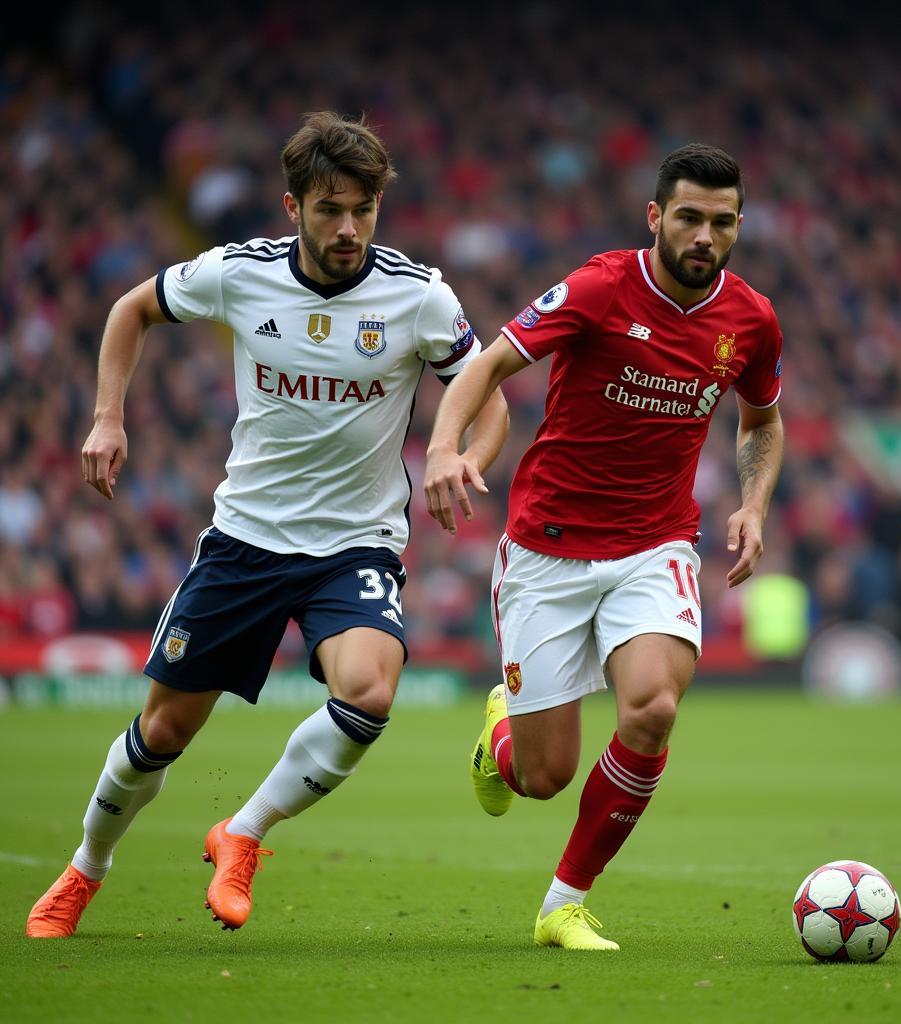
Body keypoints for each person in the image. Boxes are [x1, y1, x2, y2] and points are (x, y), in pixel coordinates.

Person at [26, 111, 509, 938]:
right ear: (293, 208)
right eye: (330, 209)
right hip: (246, 539)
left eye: (364, 209)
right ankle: (85, 870)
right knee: (162, 731)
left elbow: (491, 399)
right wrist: (107, 417)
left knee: (369, 691)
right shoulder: (238, 274)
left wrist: (457, 456)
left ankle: (242, 833)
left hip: (354, 543)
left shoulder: (419, 296)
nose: (350, 227)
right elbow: (128, 311)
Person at [424, 143, 784, 950]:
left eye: (722, 223)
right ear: (655, 217)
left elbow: (762, 422)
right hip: (548, 550)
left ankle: (563, 903)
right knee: (543, 777)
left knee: (654, 708)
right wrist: (445, 449)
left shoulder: (751, 320)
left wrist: (755, 505)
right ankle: (502, 731)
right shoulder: (597, 287)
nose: (704, 236)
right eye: (689, 217)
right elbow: (488, 366)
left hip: (656, 544)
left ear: (737, 227)